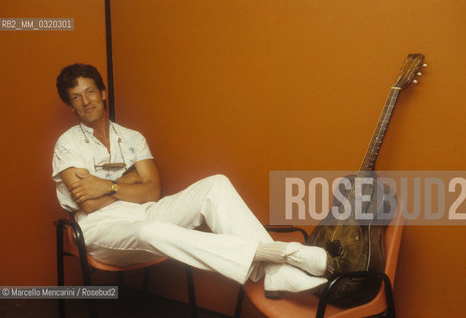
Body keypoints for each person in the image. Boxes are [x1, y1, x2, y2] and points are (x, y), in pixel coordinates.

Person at [52, 63, 332, 298]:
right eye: (76, 97)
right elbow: (87, 203)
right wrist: (131, 179)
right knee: (150, 231)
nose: (86, 101)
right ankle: (281, 254)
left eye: (90, 92)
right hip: (101, 229)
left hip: (145, 211)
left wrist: (107, 185)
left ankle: (275, 273)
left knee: (216, 183)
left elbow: (151, 192)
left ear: (103, 92)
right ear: (70, 106)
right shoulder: (68, 144)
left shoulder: (132, 138)